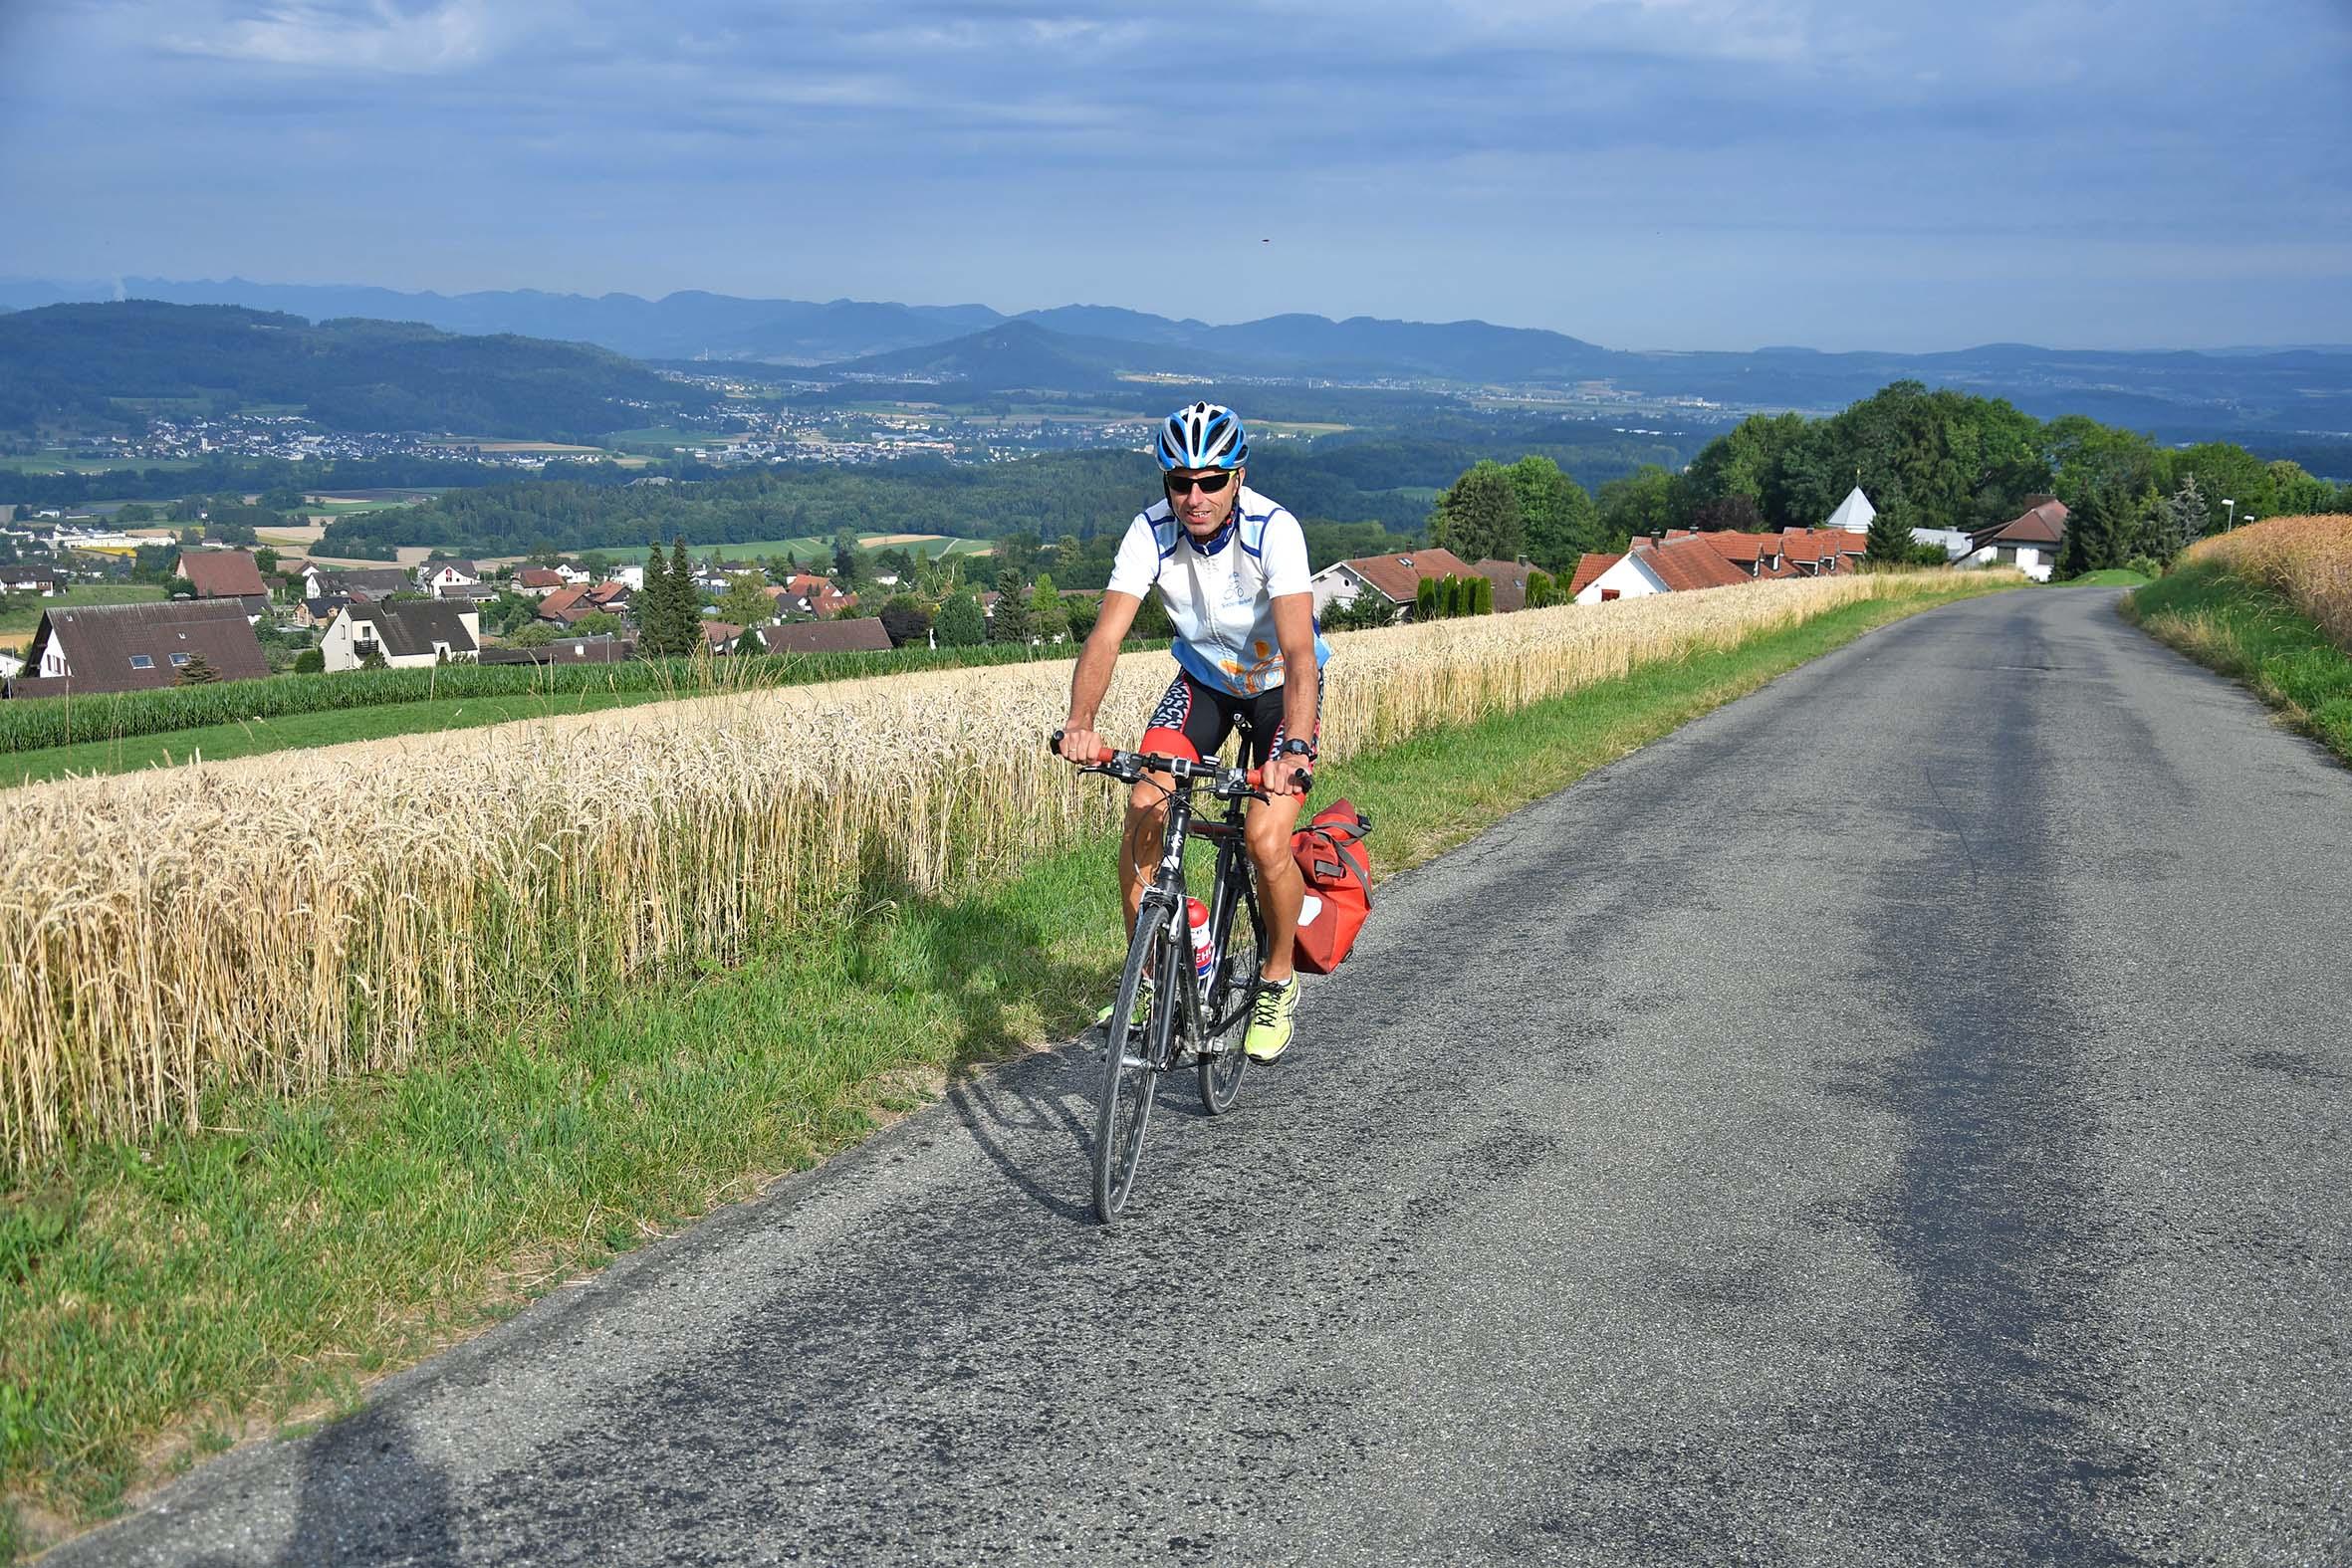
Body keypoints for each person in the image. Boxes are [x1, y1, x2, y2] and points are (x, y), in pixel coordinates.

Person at [1057, 402, 1330, 1063]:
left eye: (1211, 480)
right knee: (1144, 802)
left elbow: (1298, 654)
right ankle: (1151, 980)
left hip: (1275, 691)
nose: (1195, 496)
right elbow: (1106, 636)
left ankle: (1276, 979)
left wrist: (1293, 748)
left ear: (1238, 476)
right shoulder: (1150, 533)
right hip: (1205, 681)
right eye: (1180, 482)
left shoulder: (1274, 531)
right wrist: (1081, 724)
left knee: (1267, 838)